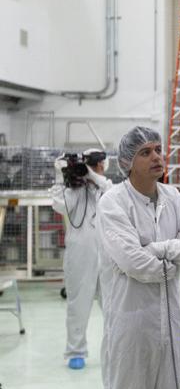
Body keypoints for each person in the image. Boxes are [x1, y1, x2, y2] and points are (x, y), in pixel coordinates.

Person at [96, 126, 180, 389]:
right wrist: (174, 263)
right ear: (128, 162)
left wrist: (156, 249)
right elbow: (134, 263)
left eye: (157, 149)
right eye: (145, 152)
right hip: (131, 326)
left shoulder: (173, 197)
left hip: (169, 325)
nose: (156, 157)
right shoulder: (113, 203)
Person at [51, 149, 110, 369]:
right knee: (78, 305)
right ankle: (76, 351)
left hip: (107, 255)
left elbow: (111, 192)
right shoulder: (74, 191)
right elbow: (60, 206)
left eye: (97, 165)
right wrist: (60, 178)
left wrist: (93, 177)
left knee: (113, 305)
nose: (96, 168)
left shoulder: (106, 188)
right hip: (80, 256)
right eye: (92, 165)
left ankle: (116, 348)